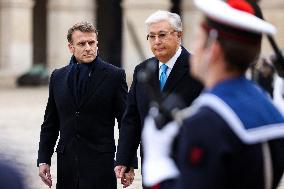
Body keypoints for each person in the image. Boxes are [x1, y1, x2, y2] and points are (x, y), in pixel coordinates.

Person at [142, 0, 284, 188]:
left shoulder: (207, 121)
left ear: (213, 50)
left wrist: (158, 161)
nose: (193, 46)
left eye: (198, 39)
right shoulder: (269, 108)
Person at [37, 21, 134, 189]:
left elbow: (127, 123)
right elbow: (50, 123)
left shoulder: (114, 76)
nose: (88, 47)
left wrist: (127, 161)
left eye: (92, 42)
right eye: (82, 43)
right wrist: (43, 159)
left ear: (97, 44)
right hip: (67, 168)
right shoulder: (57, 77)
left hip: (101, 167)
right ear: (71, 47)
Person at [114, 10, 203, 184]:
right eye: (152, 36)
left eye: (162, 35)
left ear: (179, 35)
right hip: (152, 168)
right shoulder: (143, 70)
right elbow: (132, 118)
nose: (157, 41)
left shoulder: (197, 70)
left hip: (187, 166)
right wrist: (125, 159)